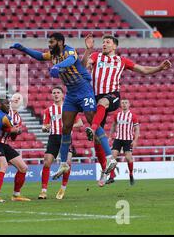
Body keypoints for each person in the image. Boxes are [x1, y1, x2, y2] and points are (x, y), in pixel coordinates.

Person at [10, 33, 117, 180]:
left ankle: (110, 157)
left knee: (93, 122)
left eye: (52, 42)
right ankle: (63, 163)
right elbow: (39, 56)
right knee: (65, 127)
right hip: (71, 94)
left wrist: (58, 66)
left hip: (84, 89)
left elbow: (71, 60)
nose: (49, 44)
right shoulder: (52, 55)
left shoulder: (69, 50)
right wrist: (23, 49)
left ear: (60, 42)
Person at [81, 34, 171, 186]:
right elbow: (84, 66)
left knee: (103, 104)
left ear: (114, 46)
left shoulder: (121, 61)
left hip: (113, 96)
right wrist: (88, 51)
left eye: (107, 42)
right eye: (103, 42)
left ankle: (92, 127)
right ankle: (105, 173)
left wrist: (160, 68)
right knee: (97, 140)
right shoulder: (96, 56)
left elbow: (143, 69)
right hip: (95, 97)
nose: (104, 44)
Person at [39, 85, 83, 200]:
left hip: (66, 137)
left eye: (58, 92)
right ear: (52, 95)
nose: (56, 94)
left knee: (67, 163)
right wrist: (45, 128)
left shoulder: (70, 108)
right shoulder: (48, 110)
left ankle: (62, 188)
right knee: (47, 162)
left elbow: (80, 123)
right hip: (53, 138)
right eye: (54, 93)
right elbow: (44, 125)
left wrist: (68, 125)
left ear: (62, 95)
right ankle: (43, 191)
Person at [0, 93, 31, 202]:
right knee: (3, 166)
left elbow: (13, 138)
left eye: (19, 99)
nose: (16, 100)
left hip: (4, 144)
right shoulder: (3, 111)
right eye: (14, 98)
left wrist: (17, 132)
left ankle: (16, 195)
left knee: (23, 168)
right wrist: (12, 129)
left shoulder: (18, 118)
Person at [107, 99, 140, 185]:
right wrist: (110, 136)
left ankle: (131, 175)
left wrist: (135, 140)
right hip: (118, 139)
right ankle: (111, 177)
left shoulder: (133, 115)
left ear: (129, 104)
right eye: (122, 103)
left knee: (128, 158)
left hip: (128, 139)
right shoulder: (117, 115)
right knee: (113, 157)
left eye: (126, 103)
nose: (124, 104)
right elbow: (113, 125)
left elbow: (137, 129)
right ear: (120, 105)